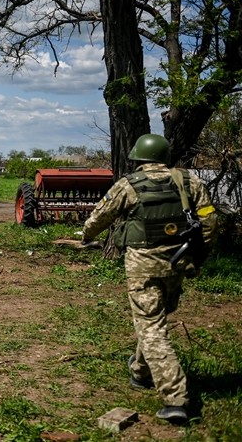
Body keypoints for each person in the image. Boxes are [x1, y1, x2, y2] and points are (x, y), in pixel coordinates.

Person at [81, 134, 217, 424]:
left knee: (152, 328)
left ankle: (175, 398)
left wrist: (86, 235)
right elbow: (210, 220)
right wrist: (197, 256)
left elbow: (99, 217)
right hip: (177, 263)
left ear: (138, 158)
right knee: (154, 319)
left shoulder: (128, 185)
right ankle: (141, 372)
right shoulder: (189, 182)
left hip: (142, 267)